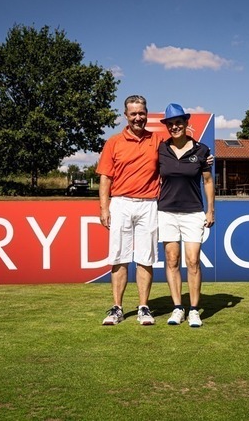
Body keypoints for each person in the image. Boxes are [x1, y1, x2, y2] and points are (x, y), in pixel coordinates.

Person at [96, 95, 163, 326]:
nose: (138, 117)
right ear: (126, 115)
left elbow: (179, 157)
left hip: (149, 204)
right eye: (133, 113)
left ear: (147, 114)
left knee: (146, 258)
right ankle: (117, 308)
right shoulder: (113, 142)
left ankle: (144, 307)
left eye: (141, 113)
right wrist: (104, 208)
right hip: (120, 203)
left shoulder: (157, 141)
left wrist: (205, 157)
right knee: (119, 257)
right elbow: (105, 178)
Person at [158, 103, 215, 327]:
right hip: (166, 212)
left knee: (193, 261)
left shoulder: (202, 151)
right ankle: (177, 308)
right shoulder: (161, 149)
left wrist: (210, 210)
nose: (174, 127)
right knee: (172, 260)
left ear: (186, 123)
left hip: (193, 212)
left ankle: (193, 310)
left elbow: (207, 181)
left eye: (178, 123)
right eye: (170, 124)